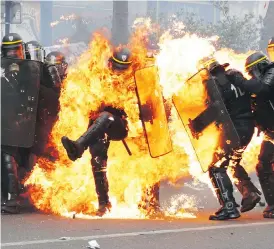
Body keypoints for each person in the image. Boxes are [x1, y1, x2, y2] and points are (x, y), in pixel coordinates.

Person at [61, 47, 131, 216]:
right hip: (98, 127)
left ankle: (78, 147)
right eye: (117, 67)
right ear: (109, 64)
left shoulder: (133, 82)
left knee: (107, 116)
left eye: (124, 68)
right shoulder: (98, 79)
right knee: (98, 159)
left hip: (120, 126)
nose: (119, 72)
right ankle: (104, 204)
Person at [200, 58, 261, 220]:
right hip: (248, 128)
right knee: (232, 162)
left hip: (233, 130)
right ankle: (250, 192)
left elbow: (216, 109)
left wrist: (197, 126)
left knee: (216, 166)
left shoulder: (213, 84)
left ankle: (229, 207)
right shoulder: (236, 76)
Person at [230, 51, 274, 218]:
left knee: (265, 163)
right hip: (271, 132)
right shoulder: (258, 83)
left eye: (251, 71)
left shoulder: (272, 71)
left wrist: (240, 80)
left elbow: (262, 89)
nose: (251, 76)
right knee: (263, 165)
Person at [1, 33, 27, 213]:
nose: (12, 54)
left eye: (15, 49)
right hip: (4, 118)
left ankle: (12, 199)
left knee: (8, 155)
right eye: (8, 50)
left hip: (23, 121)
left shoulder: (30, 68)